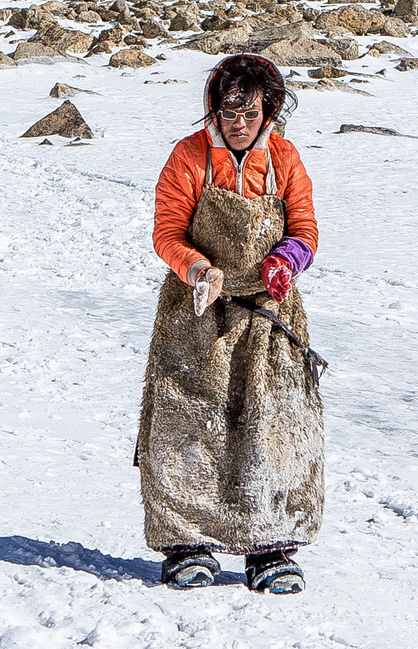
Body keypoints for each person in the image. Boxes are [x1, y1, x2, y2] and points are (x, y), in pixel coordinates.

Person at [135, 53, 324, 593]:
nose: (238, 122)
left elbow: (306, 227)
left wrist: (286, 261)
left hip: (268, 311)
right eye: (228, 111)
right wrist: (196, 267)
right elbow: (166, 231)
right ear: (213, 110)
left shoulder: (285, 160)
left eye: (249, 111)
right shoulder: (188, 158)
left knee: (272, 427)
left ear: (267, 107)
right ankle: (187, 544)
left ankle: (271, 548)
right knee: (188, 424)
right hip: (196, 312)